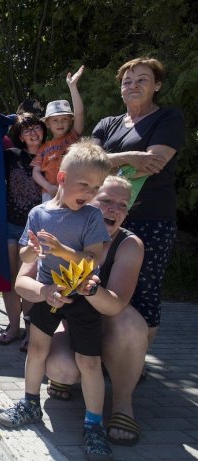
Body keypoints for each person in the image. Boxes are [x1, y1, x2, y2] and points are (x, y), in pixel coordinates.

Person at [0, 140, 113, 460]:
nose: (90, 193)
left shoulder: (91, 216)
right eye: (84, 185)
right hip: (49, 292)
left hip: (81, 296)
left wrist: (61, 250)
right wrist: (33, 255)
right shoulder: (38, 213)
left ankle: (93, 425)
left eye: (96, 187)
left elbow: (92, 260)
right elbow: (24, 253)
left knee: (89, 361)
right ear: (61, 179)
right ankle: (30, 403)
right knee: (36, 349)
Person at [41, 176, 146, 446]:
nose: (115, 209)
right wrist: (45, 291)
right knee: (62, 369)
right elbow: (25, 283)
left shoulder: (129, 244)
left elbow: (115, 304)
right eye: (107, 201)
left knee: (132, 325)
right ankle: (73, 373)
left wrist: (88, 289)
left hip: (107, 320)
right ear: (87, 202)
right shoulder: (61, 231)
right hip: (69, 320)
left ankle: (123, 406)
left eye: (123, 205)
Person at [92, 56, 185, 346]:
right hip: (102, 218)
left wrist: (105, 163)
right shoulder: (108, 124)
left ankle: (135, 361)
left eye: (142, 79)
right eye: (127, 81)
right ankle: (102, 352)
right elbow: (82, 162)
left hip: (151, 218)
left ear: (157, 85)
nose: (133, 85)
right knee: (98, 284)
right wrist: (130, 158)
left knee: (144, 291)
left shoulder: (168, 118)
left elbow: (154, 163)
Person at [0, 113, 46, 350]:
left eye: (36, 127)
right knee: (9, 280)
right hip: (10, 225)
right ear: (20, 136)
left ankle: (30, 330)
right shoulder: (11, 156)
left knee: (28, 280)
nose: (32, 133)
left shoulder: (54, 155)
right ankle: (13, 327)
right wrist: (3, 119)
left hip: (38, 229)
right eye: (26, 130)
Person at [31, 65, 85, 202]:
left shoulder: (73, 137)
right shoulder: (43, 147)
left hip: (72, 189)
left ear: (70, 121)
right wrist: (48, 187)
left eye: (64, 119)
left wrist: (72, 86)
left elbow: (79, 113)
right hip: (49, 193)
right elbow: (35, 172)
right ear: (48, 124)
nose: (60, 123)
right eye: (55, 120)